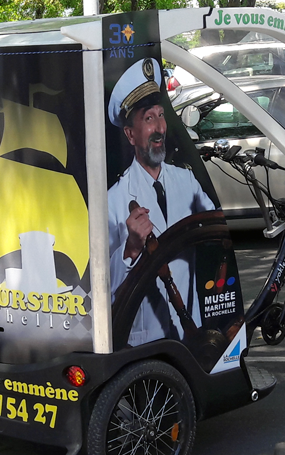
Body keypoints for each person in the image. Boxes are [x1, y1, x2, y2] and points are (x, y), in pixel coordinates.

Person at [107, 57, 215, 347]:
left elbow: (215, 235)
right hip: (145, 343)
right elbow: (100, 287)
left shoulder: (187, 181)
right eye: (148, 118)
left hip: (190, 336)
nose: (159, 128)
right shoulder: (113, 200)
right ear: (130, 134)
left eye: (160, 115)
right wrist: (130, 249)